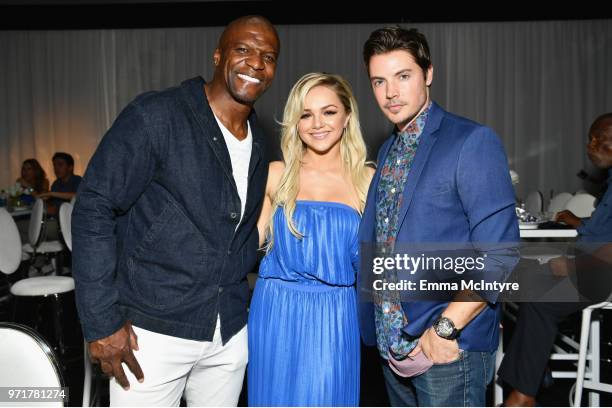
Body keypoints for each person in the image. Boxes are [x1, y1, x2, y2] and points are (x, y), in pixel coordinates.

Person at [71, 15, 279, 406]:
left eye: (268, 57)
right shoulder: (158, 115)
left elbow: (238, 233)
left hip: (228, 332)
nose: (256, 63)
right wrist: (101, 322)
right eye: (243, 50)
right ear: (218, 56)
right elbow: (94, 207)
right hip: (150, 333)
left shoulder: (261, 141)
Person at [358, 26, 519, 406]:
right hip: (392, 346)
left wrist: (445, 329)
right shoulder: (386, 151)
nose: (390, 92)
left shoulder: (471, 141)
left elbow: (501, 253)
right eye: (379, 81)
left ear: (428, 74)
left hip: (445, 347)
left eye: (403, 76)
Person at [247, 72, 375, 406]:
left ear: (347, 117)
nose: (317, 123)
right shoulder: (276, 174)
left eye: (328, 112)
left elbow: (382, 267)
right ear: (295, 122)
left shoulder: (367, 181)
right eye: (306, 114)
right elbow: (246, 248)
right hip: (275, 310)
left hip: (335, 315)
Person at [498, 112, 612, 407]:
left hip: (600, 275)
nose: (591, 145)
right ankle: (535, 373)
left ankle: (524, 394)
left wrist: (573, 266)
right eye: (590, 138)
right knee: (521, 279)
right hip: (591, 267)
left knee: (540, 302)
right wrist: (581, 222)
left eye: (601, 138)